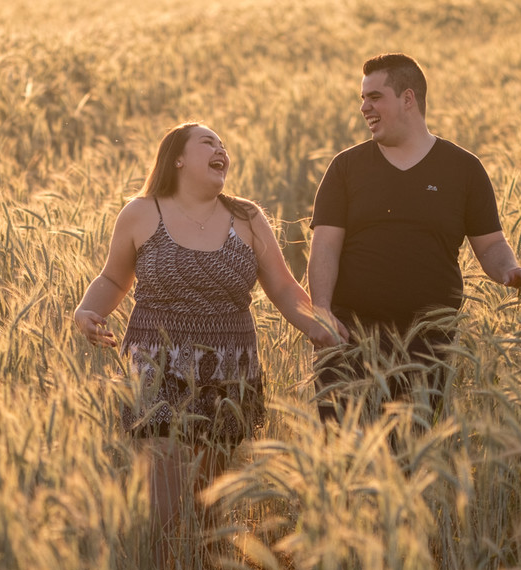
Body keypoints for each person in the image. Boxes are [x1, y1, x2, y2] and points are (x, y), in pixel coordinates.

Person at [74, 122, 345, 533]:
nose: (222, 150)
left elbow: (284, 287)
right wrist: (86, 311)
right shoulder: (142, 212)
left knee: (208, 505)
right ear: (178, 158)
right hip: (156, 371)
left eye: (223, 145)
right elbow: (113, 279)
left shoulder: (247, 217)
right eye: (209, 142)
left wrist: (317, 326)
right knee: (163, 501)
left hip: (228, 377)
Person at [308, 53, 521, 438]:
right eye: (362, 98)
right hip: (349, 338)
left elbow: (490, 245)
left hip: (429, 342)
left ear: (408, 99)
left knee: (410, 457)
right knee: (342, 456)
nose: (364, 107)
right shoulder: (346, 168)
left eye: (375, 97)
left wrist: (508, 270)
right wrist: (320, 309)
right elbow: (325, 247)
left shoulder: (463, 169)